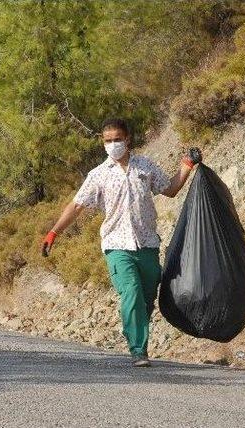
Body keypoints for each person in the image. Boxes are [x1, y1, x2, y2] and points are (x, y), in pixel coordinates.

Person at [42, 118, 201, 367]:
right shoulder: (98, 175)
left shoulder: (145, 166)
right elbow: (76, 205)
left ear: (127, 139)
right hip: (117, 245)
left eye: (117, 139)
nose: (113, 144)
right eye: (108, 140)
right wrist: (53, 233)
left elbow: (169, 189)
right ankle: (138, 349)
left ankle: (134, 332)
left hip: (147, 243)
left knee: (147, 297)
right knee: (132, 291)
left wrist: (187, 165)